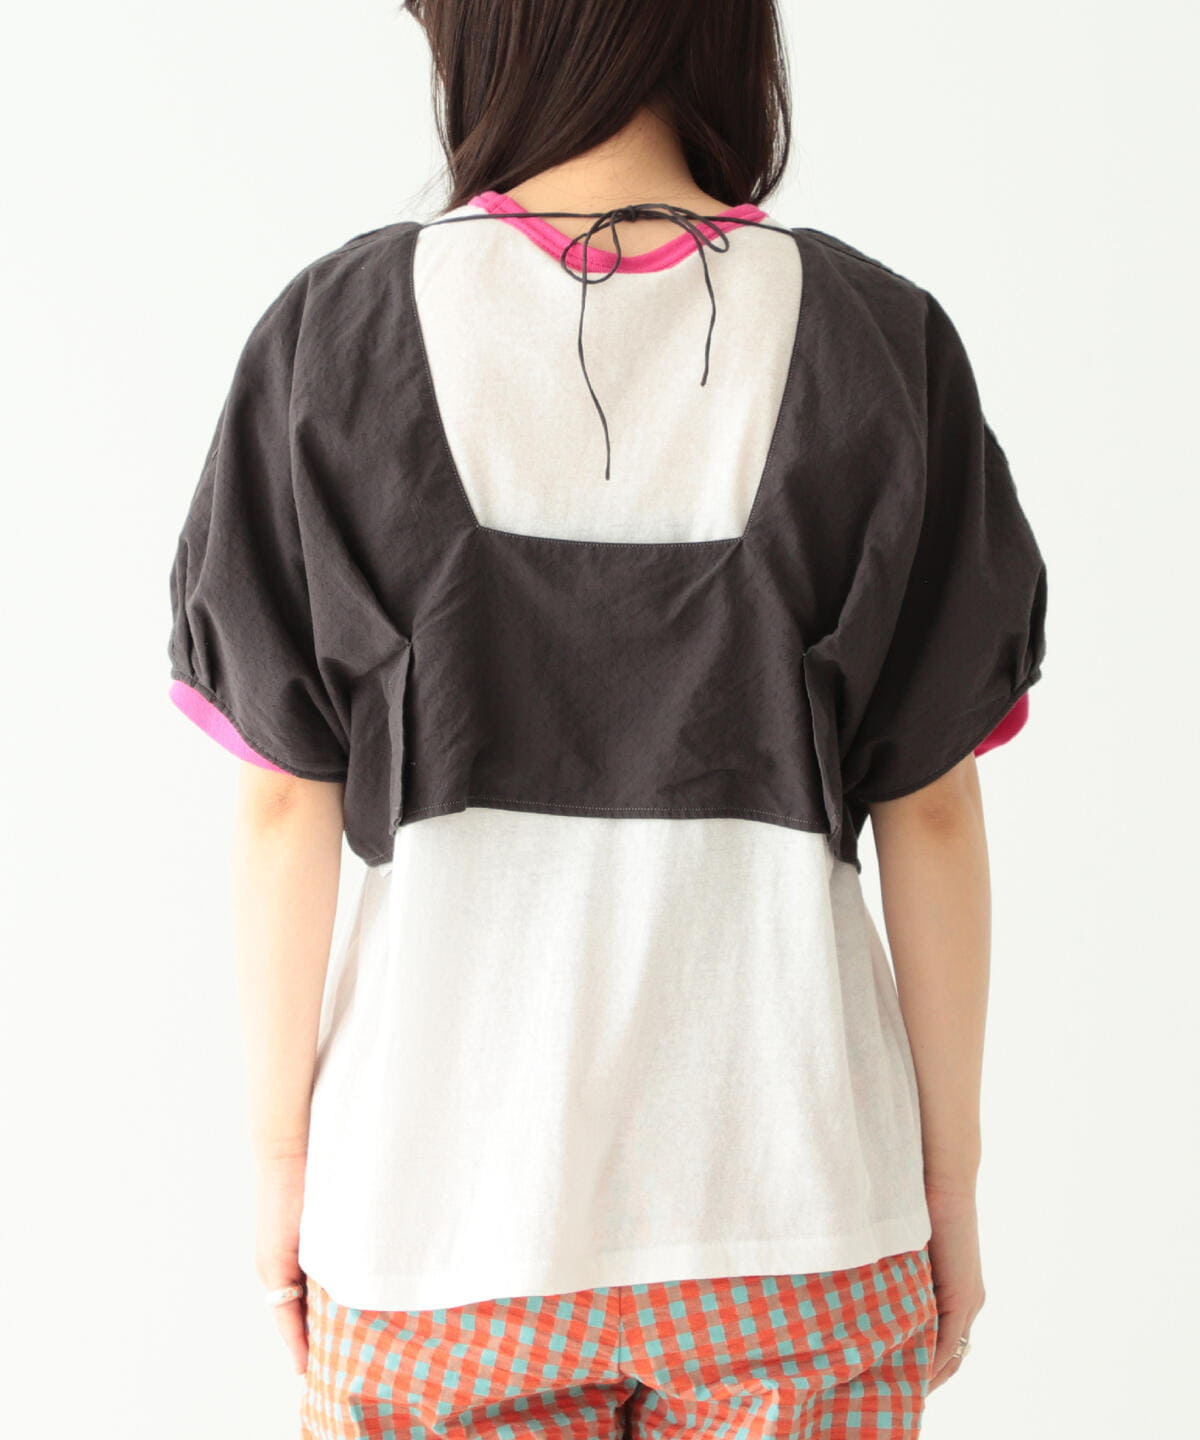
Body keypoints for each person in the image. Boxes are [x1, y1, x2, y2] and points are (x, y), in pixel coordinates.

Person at [165, 3, 1047, 1437]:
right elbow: (933, 809)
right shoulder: (881, 339)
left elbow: (281, 799)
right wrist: (949, 1186)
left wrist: (280, 1169)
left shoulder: (335, 336)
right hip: (801, 1217)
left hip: (433, 1229)